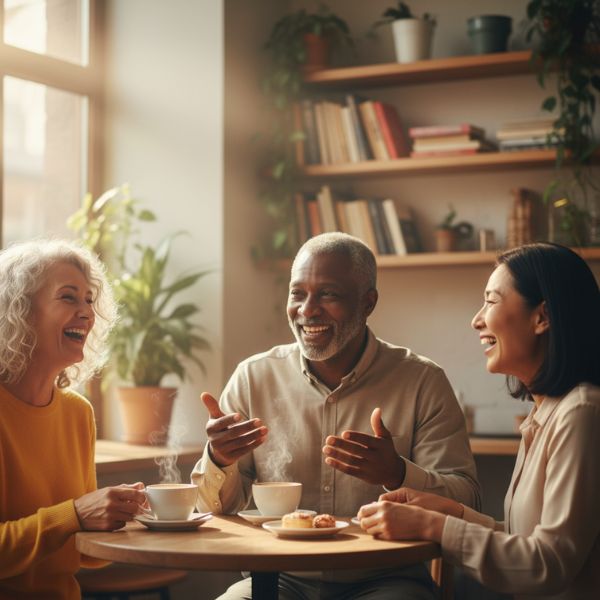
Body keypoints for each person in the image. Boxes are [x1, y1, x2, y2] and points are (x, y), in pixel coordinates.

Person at [193, 232, 481, 599]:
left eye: (328, 294)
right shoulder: (253, 377)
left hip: (387, 580)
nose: (308, 310)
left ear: (368, 302)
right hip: (276, 579)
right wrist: (219, 459)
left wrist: (398, 473)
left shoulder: (422, 381)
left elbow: (468, 502)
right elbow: (212, 511)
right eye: (298, 293)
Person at [357, 242, 600, 599]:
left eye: (491, 300)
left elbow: (549, 564)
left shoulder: (581, 413)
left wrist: (434, 525)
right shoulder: (546, 413)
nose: (477, 319)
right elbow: (526, 541)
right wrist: (452, 514)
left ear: (542, 317)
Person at [0, 239, 147, 600]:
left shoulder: (77, 413)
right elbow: (69, 520)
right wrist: (77, 514)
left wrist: (120, 518)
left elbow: (80, 553)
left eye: (89, 300)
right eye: (68, 297)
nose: (86, 312)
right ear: (19, 311)